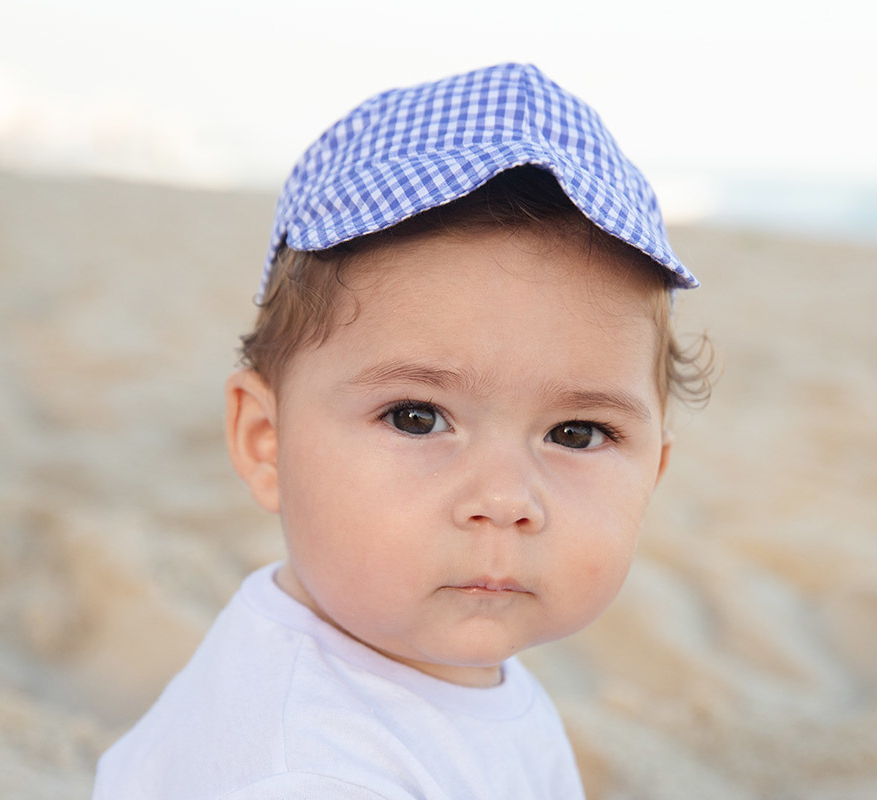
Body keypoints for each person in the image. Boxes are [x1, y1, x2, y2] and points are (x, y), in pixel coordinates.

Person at [93, 62, 712, 799]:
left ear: (653, 475)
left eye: (576, 433)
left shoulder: (409, 669)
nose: (505, 498)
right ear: (267, 441)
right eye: (417, 418)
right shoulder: (307, 769)